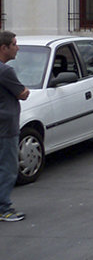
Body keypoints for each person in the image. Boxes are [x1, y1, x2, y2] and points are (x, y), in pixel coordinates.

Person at [1, 31, 30, 222]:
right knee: (8, 168)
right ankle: (4, 209)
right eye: (14, 44)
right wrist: (25, 89)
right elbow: (23, 94)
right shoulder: (6, 71)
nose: (17, 48)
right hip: (6, 128)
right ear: (4, 48)